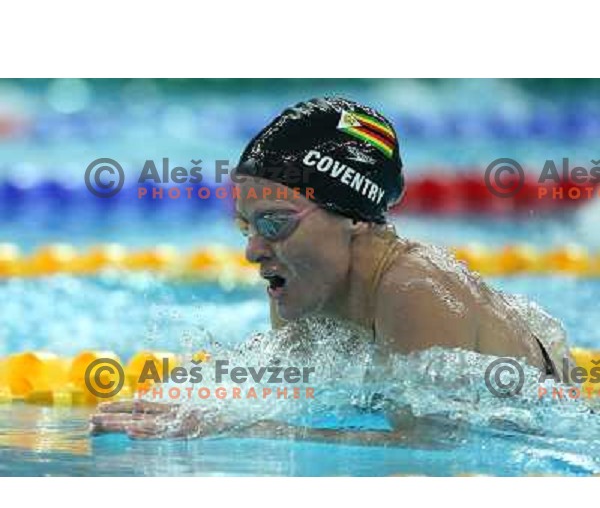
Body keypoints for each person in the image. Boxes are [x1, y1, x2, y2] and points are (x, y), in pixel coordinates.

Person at [90, 97, 565, 441]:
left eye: (274, 223)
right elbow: (293, 388)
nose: (253, 250)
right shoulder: (304, 286)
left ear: (354, 216)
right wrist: (201, 404)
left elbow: (427, 450)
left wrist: (242, 431)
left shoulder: (414, 288)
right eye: (246, 227)